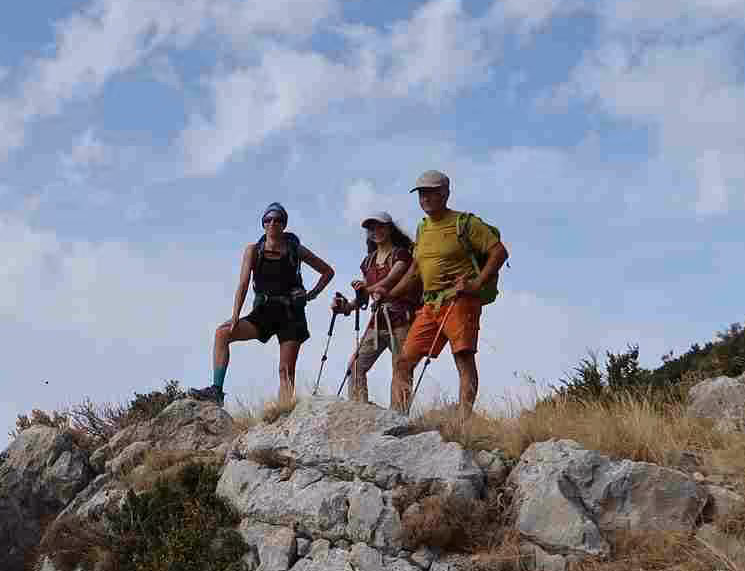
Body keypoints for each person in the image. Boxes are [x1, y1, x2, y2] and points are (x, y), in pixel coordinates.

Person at [369, 170, 509, 413]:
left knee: (463, 359)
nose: (424, 198)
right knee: (404, 361)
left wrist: (476, 284)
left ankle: (464, 420)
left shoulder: (465, 223)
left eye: (430, 192)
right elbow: (415, 271)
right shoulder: (423, 228)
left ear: (445, 193)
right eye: (421, 193)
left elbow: (499, 252)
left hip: (460, 300)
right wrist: (390, 295)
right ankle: (398, 417)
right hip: (430, 304)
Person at [193, 202, 334, 407]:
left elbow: (327, 272)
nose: (272, 223)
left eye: (277, 220)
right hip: (263, 312)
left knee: (285, 370)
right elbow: (243, 284)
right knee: (222, 334)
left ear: (284, 224)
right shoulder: (253, 251)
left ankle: (284, 411)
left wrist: (311, 295)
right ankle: (216, 391)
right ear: (263, 224)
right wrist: (235, 315)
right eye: (268, 219)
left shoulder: (295, 250)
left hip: (291, 314)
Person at [332, 212, 420, 408]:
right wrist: (346, 306)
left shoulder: (402, 254)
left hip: (402, 319)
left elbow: (390, 281)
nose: (375, 231)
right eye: (371, 228)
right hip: (378, 320)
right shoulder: (368, 262)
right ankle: (359, 411)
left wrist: (364, 290)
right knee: (356, 365)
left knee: (401, 368)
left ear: (389, 228)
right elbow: (365, 296)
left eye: (380, 226)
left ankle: (398, 417)